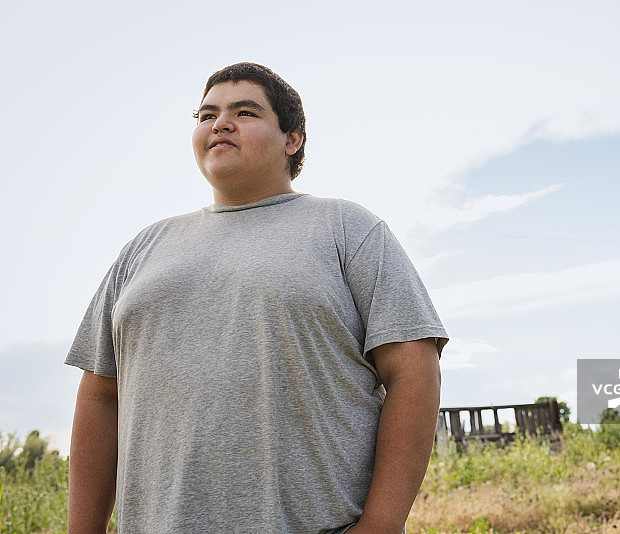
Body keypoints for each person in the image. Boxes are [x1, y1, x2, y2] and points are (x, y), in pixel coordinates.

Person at [65, 62, 448, 534]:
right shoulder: (145, 246)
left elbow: (414, 369)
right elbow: (101, 394)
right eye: (206, 116)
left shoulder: (348, 228)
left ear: (293, 139)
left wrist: (381, 525)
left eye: (245, 111)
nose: (220, 123)